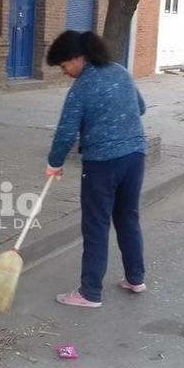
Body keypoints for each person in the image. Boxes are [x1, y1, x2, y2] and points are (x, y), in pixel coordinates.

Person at [44, 30, 147, 309]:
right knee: (128, 217)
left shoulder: (82, 88)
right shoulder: (120, 71)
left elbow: (65, 133)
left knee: (96, 225)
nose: (65, 73)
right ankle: (135, 279)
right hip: (135, 156)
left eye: (65, 67)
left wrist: (54, 163)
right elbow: (141, 107)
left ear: (78, 58)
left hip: (102, 162)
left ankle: (90, 293)